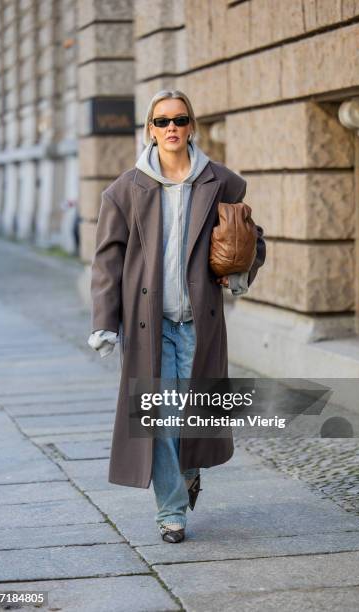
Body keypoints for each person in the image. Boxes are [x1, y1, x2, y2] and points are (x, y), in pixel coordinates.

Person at [88, 89, 266, 543]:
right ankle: (172, 512)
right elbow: (108, 259)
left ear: (192, 127)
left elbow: (251, 239)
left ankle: (188, 474)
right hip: (151, 325)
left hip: (201, 323)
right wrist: (105, 322)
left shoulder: (221, 181)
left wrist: (238, 273)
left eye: (180, 120)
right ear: (149, 128)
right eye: (162, 121)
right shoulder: (125, 189)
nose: (171, 128)